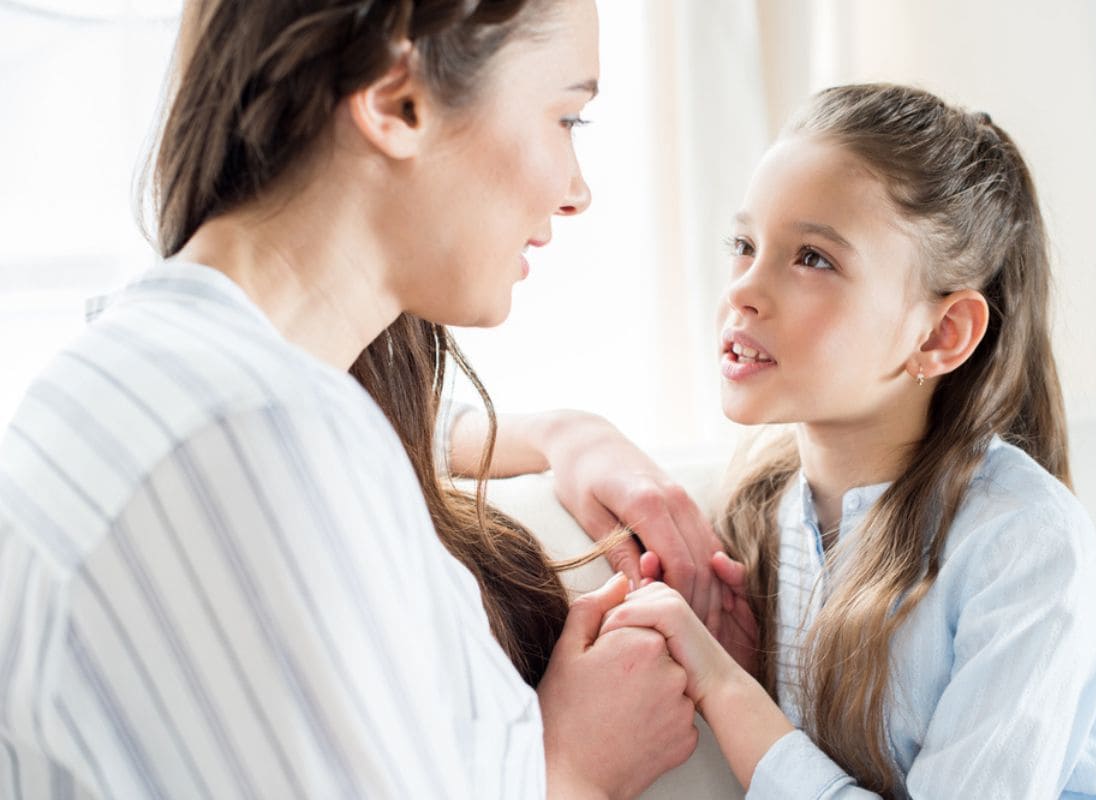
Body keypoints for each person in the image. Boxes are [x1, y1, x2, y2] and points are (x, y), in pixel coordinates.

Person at [0, 1, 705, 797]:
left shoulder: (176, 384)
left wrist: (563, 433)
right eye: (567, 118)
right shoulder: (257, 438)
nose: (577, 192)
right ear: (395, 99)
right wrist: (576, 769)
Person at [600, 83, 1096, 798]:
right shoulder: (765, 512)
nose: (743, 291)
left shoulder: (1024, 547)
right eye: (744, 245)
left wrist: (725, 687)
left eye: (812, 257)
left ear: (941, 335)